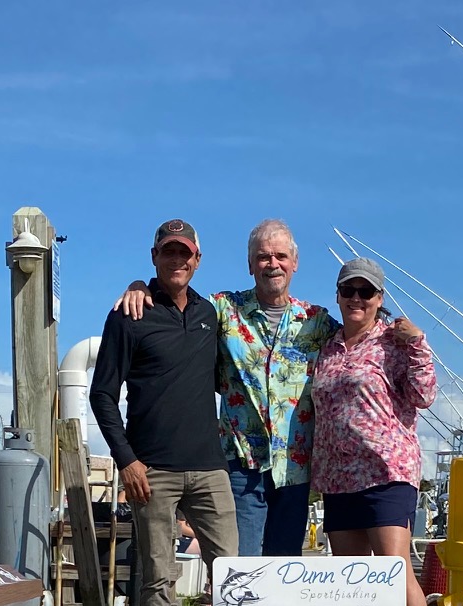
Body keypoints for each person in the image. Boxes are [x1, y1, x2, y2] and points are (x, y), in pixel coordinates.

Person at [116, 219, 335, 557]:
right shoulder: (223, 309)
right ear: (250, 265)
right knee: (239, 574)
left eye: (280, 256)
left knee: (283, 575)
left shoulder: (317, 321)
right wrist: (138, 286)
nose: (272, 264)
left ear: (294, 263)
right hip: (241, 468)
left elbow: (360, 333)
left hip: (294, 471)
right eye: (263, 257)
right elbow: (176, 297)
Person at [91, 217, 238, 606]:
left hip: (211, 466)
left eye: (186, 253)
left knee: (233, 576)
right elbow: (102, 395)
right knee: (158, 577)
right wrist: (127, 461)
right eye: (168, 252)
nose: (178, 260)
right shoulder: (128, 315)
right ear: (154, 256)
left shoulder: (212, 314)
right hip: (151, 470)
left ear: (197, 259)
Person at [310, 257, 438, 606]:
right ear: (339, 296)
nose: (358, 299)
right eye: (350, 291)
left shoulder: (395, 342)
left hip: (387, 471)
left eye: (367, 292)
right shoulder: (327, 347)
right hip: (337, 477)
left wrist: (419, 342)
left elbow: (424, 396)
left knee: (393, 569)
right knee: (351, 578)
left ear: (380, 299)